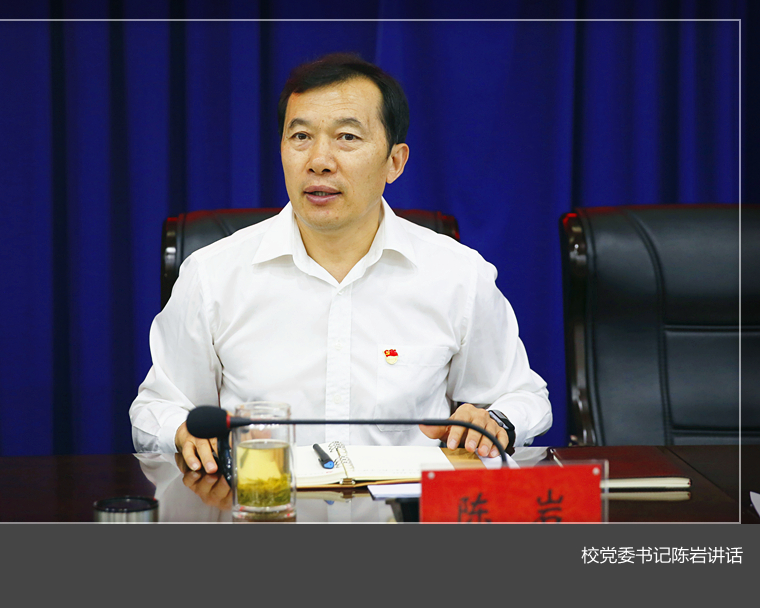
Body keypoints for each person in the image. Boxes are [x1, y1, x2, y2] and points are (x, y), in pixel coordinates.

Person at [129, 52, 551, 474]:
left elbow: (523, 397)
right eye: (300, 137)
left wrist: (493, 421)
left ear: (394, 162)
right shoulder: (213, 275)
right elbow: (157, 407)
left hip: (405, 508)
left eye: (347, 137)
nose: (319, 161)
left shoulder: (457, 275)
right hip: (266, 504)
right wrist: (181, 431)